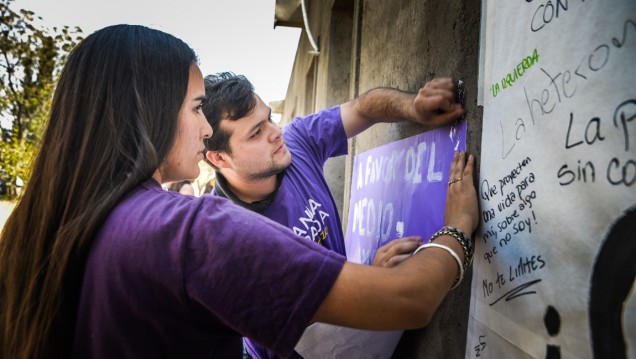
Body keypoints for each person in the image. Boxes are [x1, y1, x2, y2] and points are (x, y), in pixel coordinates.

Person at [0, 24, 478, 359]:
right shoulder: (195, 231)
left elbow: (363, 107)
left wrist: (411, 105)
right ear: (148, 116)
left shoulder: (70, 228)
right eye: (195, 109)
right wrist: (456, 227)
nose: (204, 128)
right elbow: (409, 299)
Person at [203, 73, 466, 358]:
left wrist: (412, 106)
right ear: (219, 158)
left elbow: (363, 108)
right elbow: (303, 325)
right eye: (256, 133)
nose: (274, 132)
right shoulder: (227, 238)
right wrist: (372, 280)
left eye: (269, 118)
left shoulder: (294, 143)